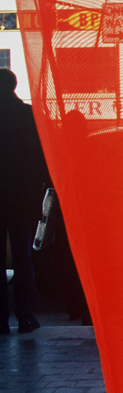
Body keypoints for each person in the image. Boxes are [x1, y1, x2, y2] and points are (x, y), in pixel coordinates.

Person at [0, 69, 48, 334]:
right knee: (23, 256)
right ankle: (26, 317)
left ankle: (0, 320)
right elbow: (41, 159)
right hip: (22, 197)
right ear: (15, 86)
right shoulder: (28, 116)